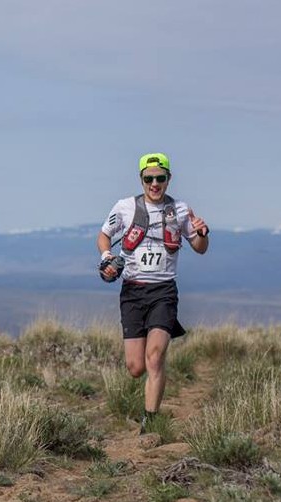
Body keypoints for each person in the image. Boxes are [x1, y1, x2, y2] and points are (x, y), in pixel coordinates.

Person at [96, 152, 209, 434]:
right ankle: (151, 373)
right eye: (149, 179)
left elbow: (199, 247)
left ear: (169, 179)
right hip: (133, 292)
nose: (155, 184)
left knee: (154, 358)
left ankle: (151, 422)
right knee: (136, 367)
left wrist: (202, 233)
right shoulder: (125, 207)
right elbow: (103, 235)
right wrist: (107, 257)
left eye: (160, 178)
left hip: (164, 291)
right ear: (141, 180)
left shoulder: (181, 210)